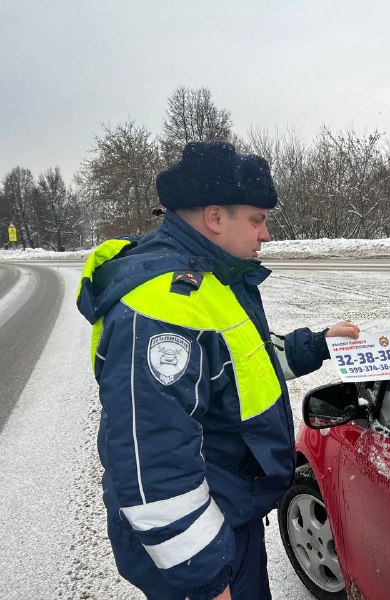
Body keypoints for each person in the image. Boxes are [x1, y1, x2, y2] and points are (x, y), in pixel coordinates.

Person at [76, 141, 360, 600]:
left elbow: (240, 365)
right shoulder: (164, 307)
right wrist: (205, 577)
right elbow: (152, 462)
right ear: (214, 218)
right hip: (195, 543)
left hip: (228, 515)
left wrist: (317, 345)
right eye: (256, 219)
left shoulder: (213, 279)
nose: (265, 233)